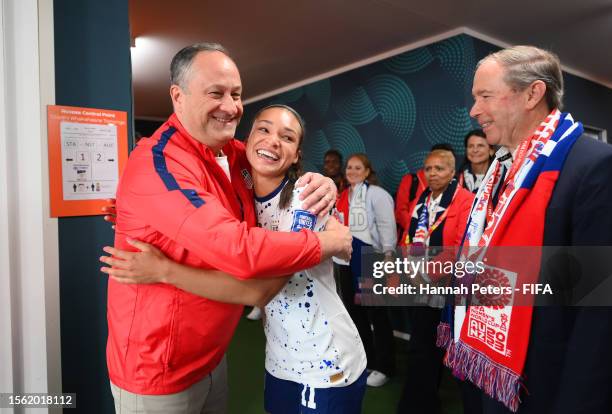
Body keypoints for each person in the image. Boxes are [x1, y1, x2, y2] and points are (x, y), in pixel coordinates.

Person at [105, 43, 351, 414]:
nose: (231, 106)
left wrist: (326, 184)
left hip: (212, 356)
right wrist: (327, 242)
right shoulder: (159, 164)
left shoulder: (233, 154)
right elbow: (242, 253)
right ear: (178, 96)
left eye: (236, 95)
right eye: (215, 93)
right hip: (158, 369)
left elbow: (273, 157)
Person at [437, 45, 612, 414]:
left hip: (545, 382)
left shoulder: (593, 166)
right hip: (488, 368)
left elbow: (598, 316)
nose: (474, 111)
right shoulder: (498, 172)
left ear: (533, 93)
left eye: (485, 96)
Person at [396, 149, 474, 414]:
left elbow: (460, 246)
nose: (432, 173)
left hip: (448, 288)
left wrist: (426, 273)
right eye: (428, 168)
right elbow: (409, 236)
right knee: (422, 349)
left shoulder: (465, 200)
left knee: (448, 352)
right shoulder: (423, 200)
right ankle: (420, 404)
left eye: (439, 168)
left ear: (453, 172)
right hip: (420, 286)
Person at [335, 153, 397, 387]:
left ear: (367, 171)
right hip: (345, 260)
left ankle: (384, 366)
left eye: (357, 167)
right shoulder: (342, 195)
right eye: (349, 167)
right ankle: (366, 360)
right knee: (355, 314)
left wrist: (388, 257)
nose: (352, 171)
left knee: (377, 315)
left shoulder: (377, 195)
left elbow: (386, 226)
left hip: (370, 258)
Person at [395, 143, 456, 244]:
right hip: (413, 239)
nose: (433, 172)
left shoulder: (457, 190)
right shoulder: (411, 180)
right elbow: (401, 211)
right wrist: (416, 228)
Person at [457, 129, 495, 193]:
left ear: (491, 150)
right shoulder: (456, 179)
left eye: (480, 146)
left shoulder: (501, 177)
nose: (475, 150)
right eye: (471, 146)